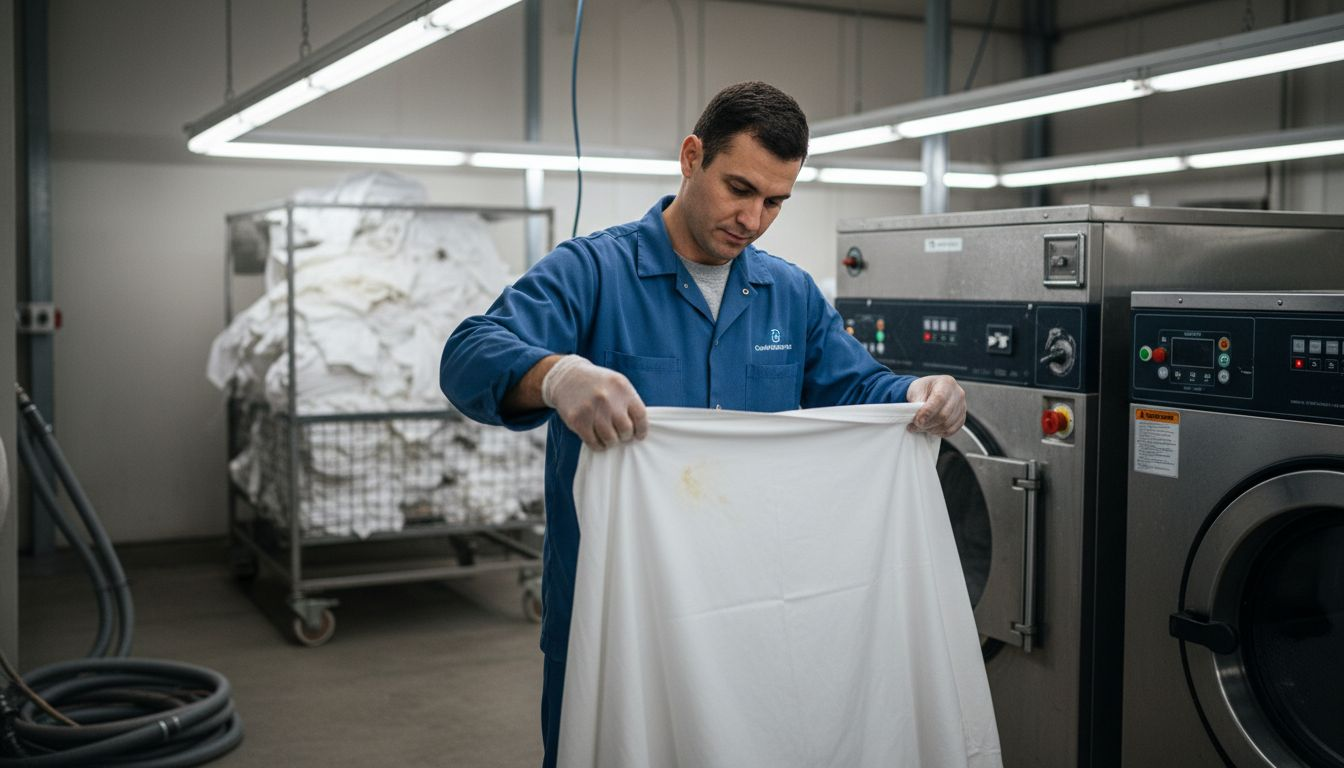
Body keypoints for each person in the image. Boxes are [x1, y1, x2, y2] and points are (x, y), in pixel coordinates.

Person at [440, 80, 966, 767]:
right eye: (739, 188)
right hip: (617, 606)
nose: (752, 219)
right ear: (692, 157)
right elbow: (469, 353)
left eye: (775, 201)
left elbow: (857, 386)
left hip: (748, 601)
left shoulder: (788, 293)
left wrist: (916, 393)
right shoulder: (594, 272)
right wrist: (556, 375)